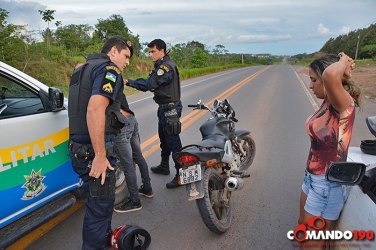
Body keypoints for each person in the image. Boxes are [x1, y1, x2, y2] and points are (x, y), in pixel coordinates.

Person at [68, 35, 133, 249]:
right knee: (100, 208)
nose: (127, 62)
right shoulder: (109, 70)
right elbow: (95, 108)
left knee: (96, 202)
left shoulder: (81, 69)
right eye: (125, 56)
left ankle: (103, 241)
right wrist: (100, 155)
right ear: (113, 51)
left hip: (78, 148)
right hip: (93, 151)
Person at [298, 52, 362, 249]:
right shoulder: (328, 102)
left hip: (327, 184)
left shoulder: (344, 105)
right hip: (311, 178)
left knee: (311, 245)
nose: (310, 85)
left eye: (313, 79)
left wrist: (344, 62)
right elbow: (329, 78)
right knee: (303, 230)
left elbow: (330, 76)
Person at [126, 38, 183, 189]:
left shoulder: (166, 67)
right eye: (149, 51)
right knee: (164, 139)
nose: (150, 54)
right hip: (164, 108)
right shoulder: (161, 65)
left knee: (173, 142)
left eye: (153, 51)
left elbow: (149, 84)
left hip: (170, 109)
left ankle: (181, 175)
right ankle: (164, 166)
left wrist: (128, 82)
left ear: (162, 51)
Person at [113, 92, 154, 213]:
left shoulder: (101, 85)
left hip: (121, 124)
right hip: (131, 119)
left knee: (127, 164)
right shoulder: (115, 82)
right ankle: (147, 188)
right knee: (138, 157)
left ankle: (135, 201)